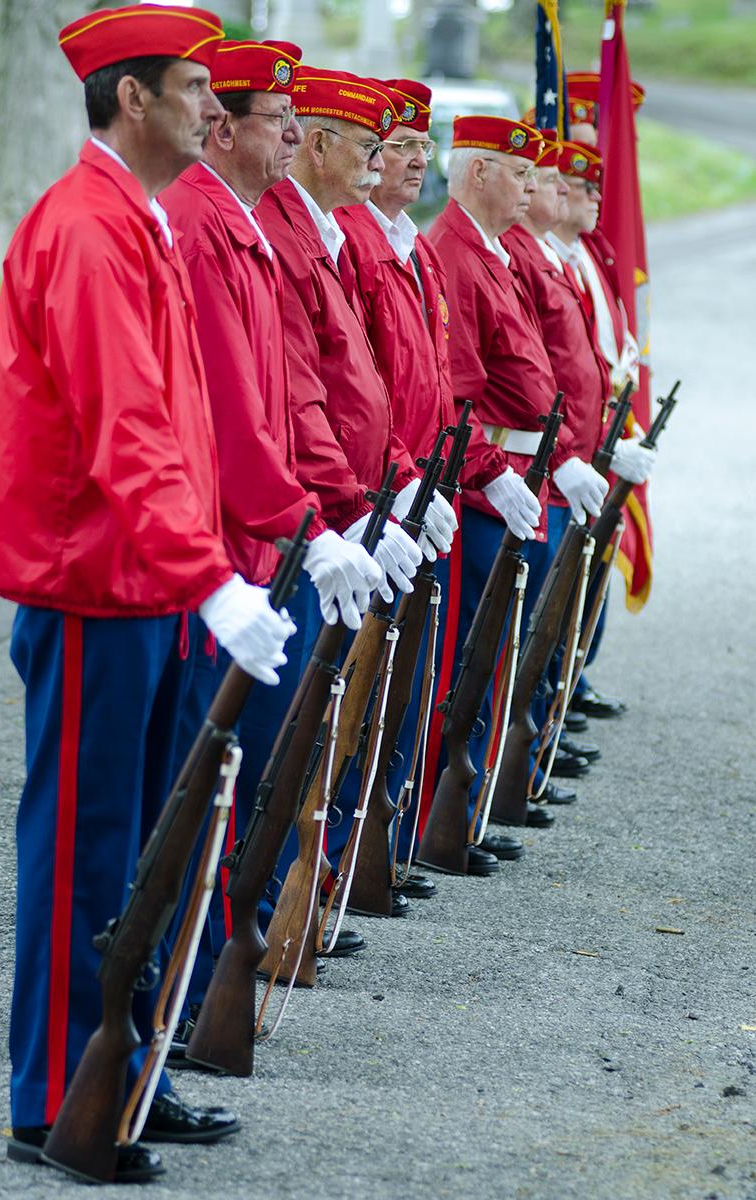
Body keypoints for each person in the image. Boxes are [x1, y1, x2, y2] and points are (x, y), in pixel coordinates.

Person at [0, 6, 296, 1181]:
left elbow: (175, 426)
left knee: (151, 851)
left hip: (143, 587)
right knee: (86, 855)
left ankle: (130, 1077)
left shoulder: (134, 218)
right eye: (195, 88)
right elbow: (129, 428)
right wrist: (210, 577)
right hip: (97, 590)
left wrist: (201, 573)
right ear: (131, 99)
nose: (214, 108)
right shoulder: (91, 227)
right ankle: (57, 1098)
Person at [159, 39, 384, 1037]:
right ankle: (163, 1008)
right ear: (221, 129)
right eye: (275, 119)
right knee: (191, 794)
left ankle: (189, 994)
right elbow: (232, 412)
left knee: (235, 785)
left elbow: (294, 393)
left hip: (260, 541)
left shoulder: (236, 224)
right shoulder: (205, 225)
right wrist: (310, 519)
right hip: (221, 553)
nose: (293, 135)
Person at [257, 68, 455, 880]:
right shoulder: (296, 236)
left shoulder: (328, 237)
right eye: (376, 146)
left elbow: (372, 384)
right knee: (293, 737)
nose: (387, 162)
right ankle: (282, 897)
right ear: (320, 143)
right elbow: (301, 397)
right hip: (314, 514)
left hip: (364, 500)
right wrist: (348, 506)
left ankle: (318, 880)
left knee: (358, 711)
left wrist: (403, 478)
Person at [335, 80, 521, 875]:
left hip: (421, 492)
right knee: (359, 696)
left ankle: (382, 850)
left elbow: (440, 388)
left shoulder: (408, 247)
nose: (414, 159)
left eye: (420, 145)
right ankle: (336, 866)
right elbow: (354, 392)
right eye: (397, 145)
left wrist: (469, 469)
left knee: (407, 689)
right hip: (374, 501)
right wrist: (397, 481)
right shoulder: (354, 242)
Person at [429, 115, 611, 824]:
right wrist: (498, 470)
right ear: (479, 173)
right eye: (521, 172)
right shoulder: (457, 252)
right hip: (492, 482)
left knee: (507, 646)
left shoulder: (491, 252)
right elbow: (458, 389)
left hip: (525, 473)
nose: (534, 186)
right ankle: (456, 809)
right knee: (477, 655)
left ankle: (477, 804)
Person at [503, 129, 611, 779]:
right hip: (529, 463)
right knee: (525, 623)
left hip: (563, 457)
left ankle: (541, 730)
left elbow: (572, 362)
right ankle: (525, 745)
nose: (570, 195)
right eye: (552, 181)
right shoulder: (518, 254)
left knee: (550, 610)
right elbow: (526, 372)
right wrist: (566, 453)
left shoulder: (545, 255)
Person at [547, 139, 657, 719]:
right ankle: (549, 704)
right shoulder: (548, 258)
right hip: (560, 452)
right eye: (583, 187)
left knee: (583, 575)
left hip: (594, 440)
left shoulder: (587, 255)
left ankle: (568, 684)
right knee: (552, 592)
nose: (595, 198)